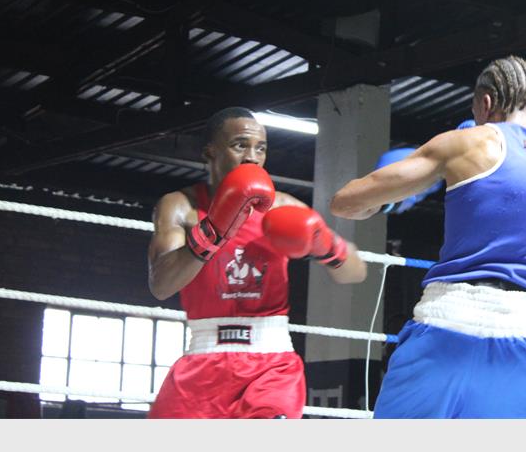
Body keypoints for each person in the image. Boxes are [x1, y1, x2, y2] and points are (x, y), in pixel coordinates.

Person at [330, 55, 526, 418]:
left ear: (485, 103)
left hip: (445, 327)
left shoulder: (466, 143)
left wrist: (391, 201)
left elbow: (344, 203)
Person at [147, 107, 367, 419]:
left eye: (260, 148)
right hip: (204, 357)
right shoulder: (181, 206)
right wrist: (213, 232)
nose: (252, 157)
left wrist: (326, 245)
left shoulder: (285, 206)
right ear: (210, 153)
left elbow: (355, 272)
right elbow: (160, 285)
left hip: (271, 363)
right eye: (240, 145)